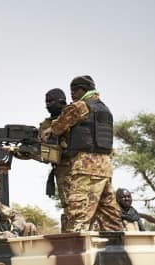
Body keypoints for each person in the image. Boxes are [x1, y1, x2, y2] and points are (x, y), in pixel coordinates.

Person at [41, 75, 122, 232]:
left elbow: (59, 126)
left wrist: (49, 130)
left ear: (82, 90)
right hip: (105, 168)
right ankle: (117, 249)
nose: (71, 95)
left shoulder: (81, 106)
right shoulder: (104, 108)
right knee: (109, 215)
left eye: (73, 91)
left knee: (77, 214)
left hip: (86, 166)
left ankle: (75, 252)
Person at [39, 88, 69, 228]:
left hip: (79, 167)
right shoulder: (47, 124)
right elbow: (45, 153)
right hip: (62, 170)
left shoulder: (72, 116)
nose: (48, 105)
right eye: (46, 102)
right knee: (69, 207)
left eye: (51, 101)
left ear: (61, 100)